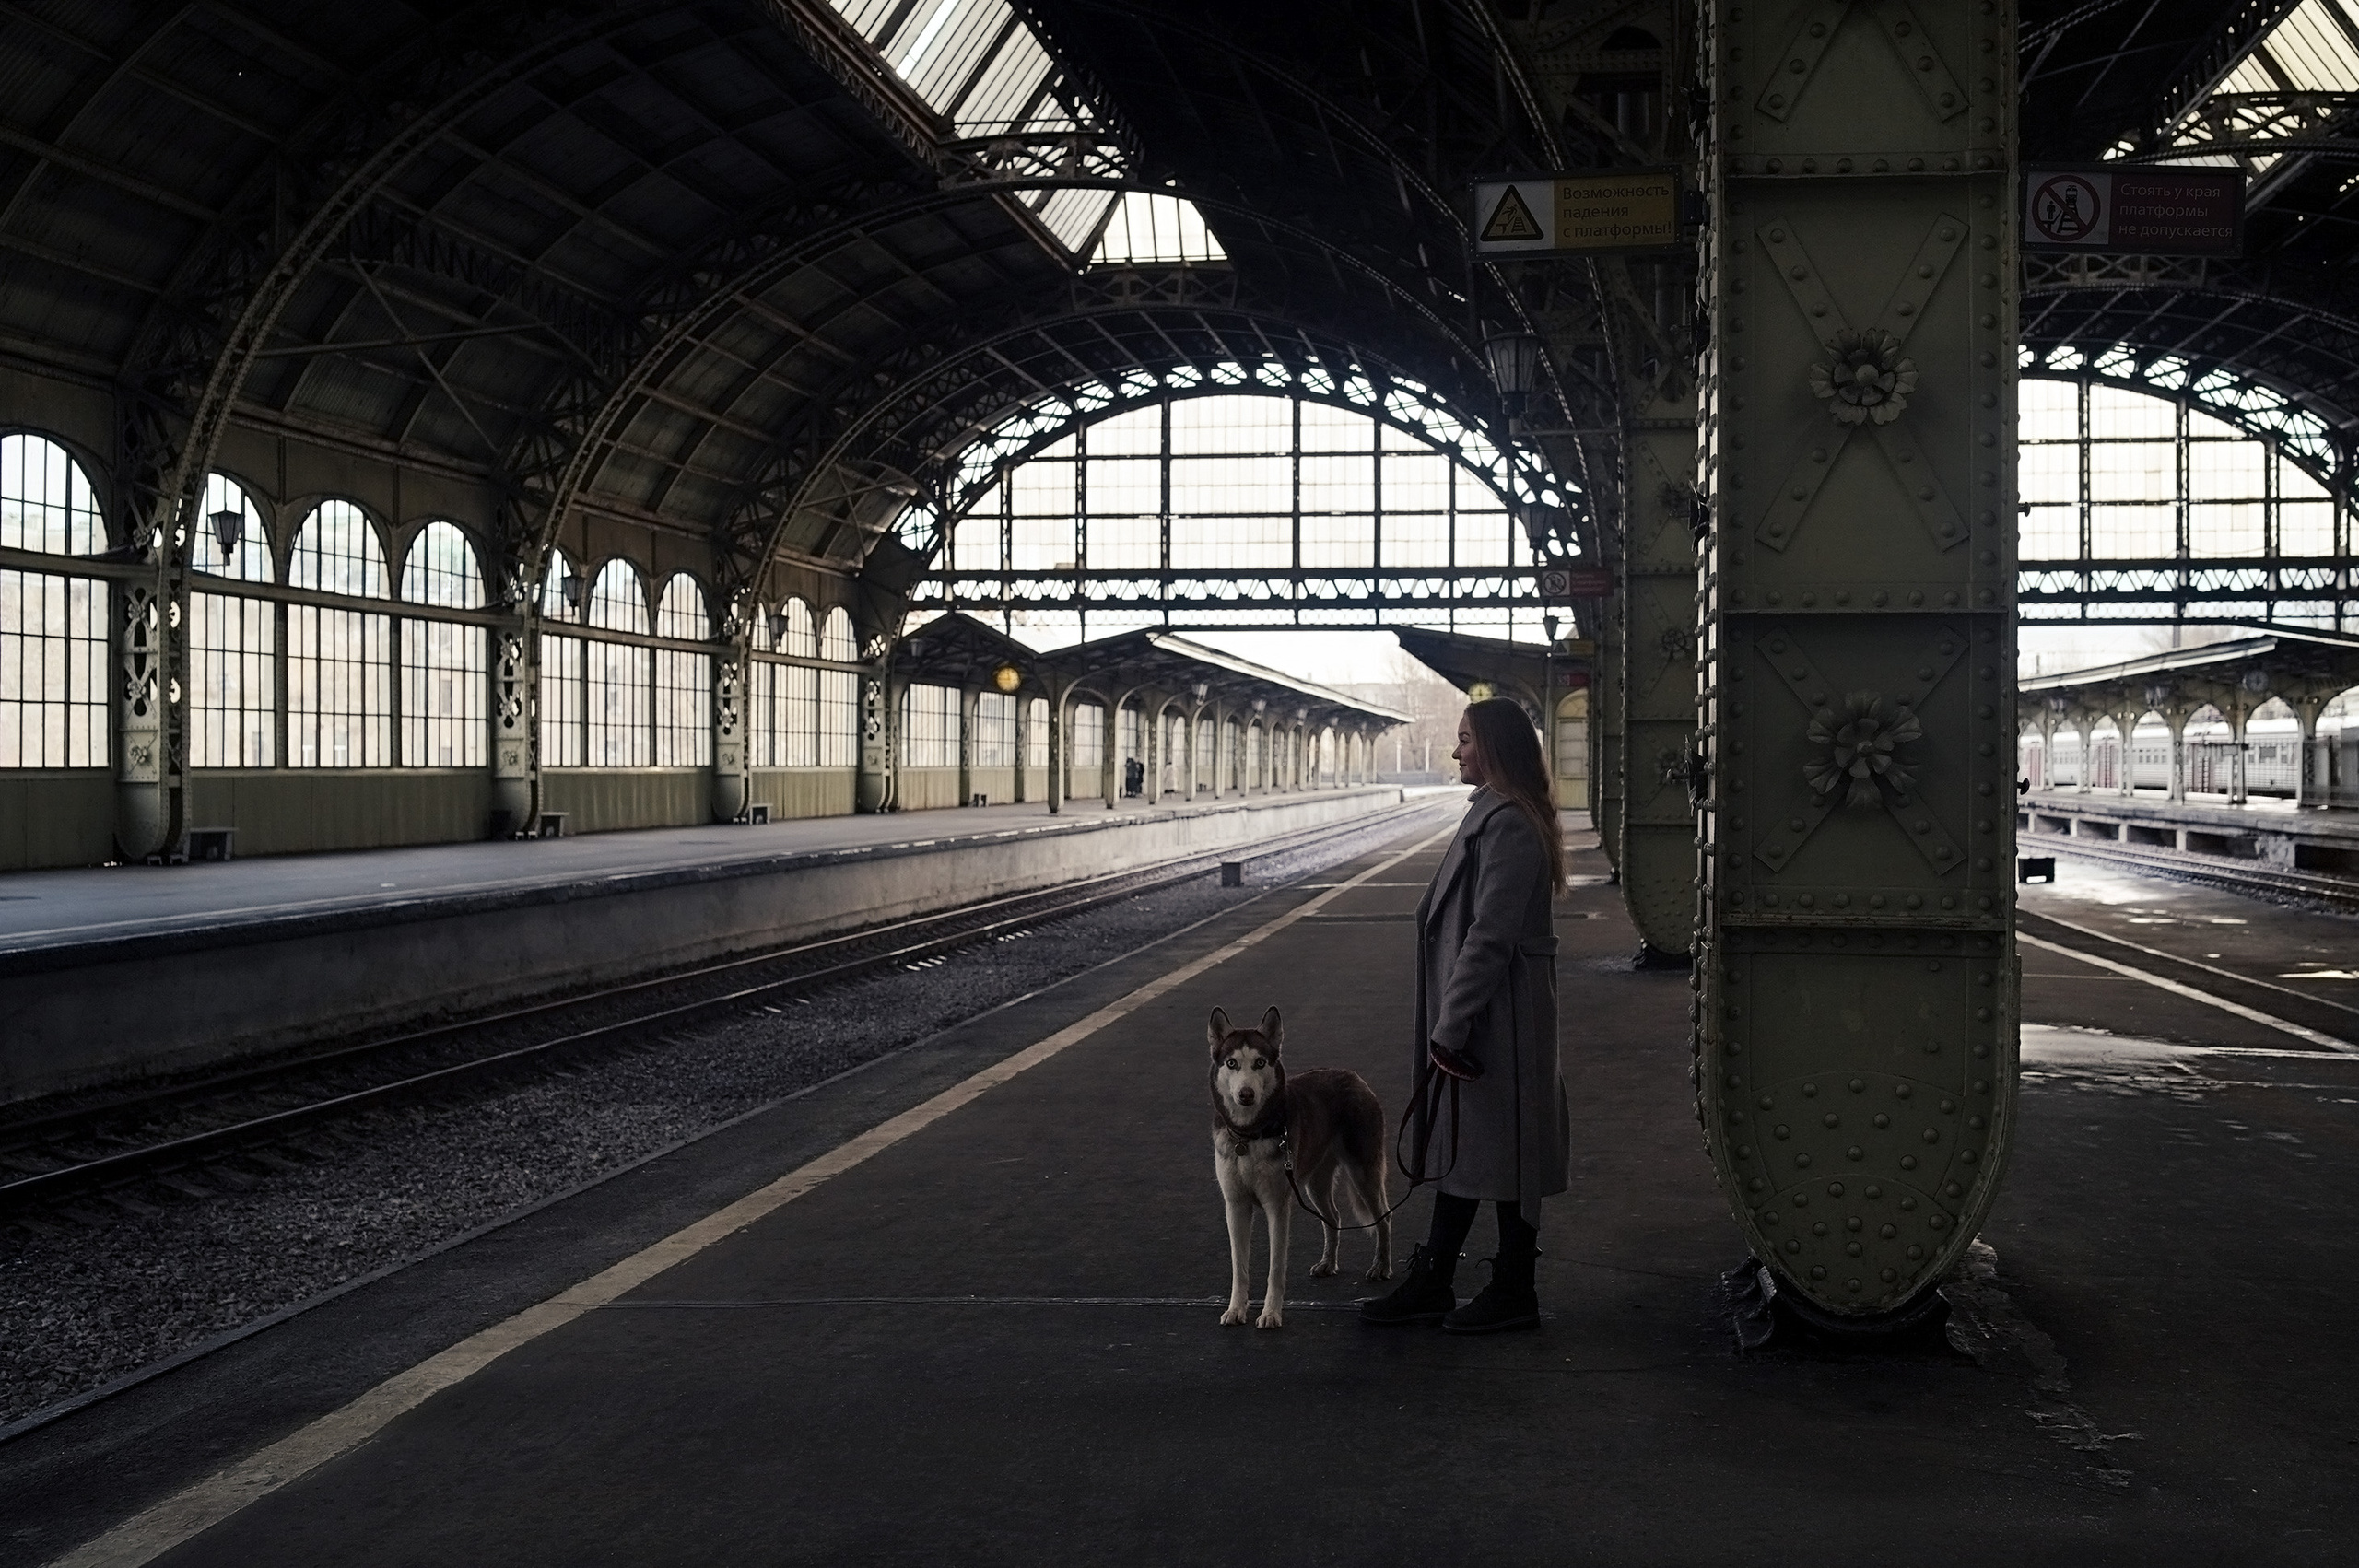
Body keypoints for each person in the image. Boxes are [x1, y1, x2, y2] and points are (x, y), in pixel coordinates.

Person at [1361, 696, 1569, 1333]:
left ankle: (1508, 1286)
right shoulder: (1499, 815)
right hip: (1493, 1011)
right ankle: (1449, 1278)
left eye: (1465, 741)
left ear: (1496, 748)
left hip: (1497, 1015)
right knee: (1472, 1145)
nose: (1456, 752)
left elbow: (1490, 935)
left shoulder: (1507, 823)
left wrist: (1451, 1023)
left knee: (1502, 1148)